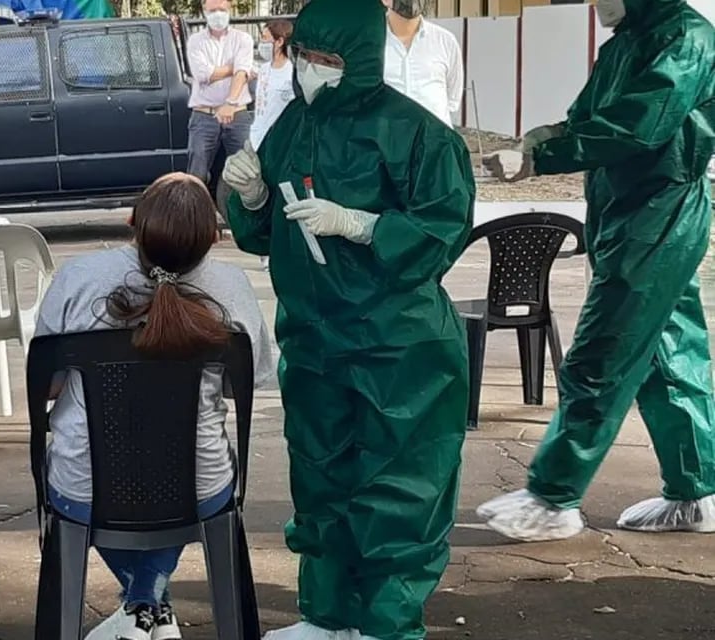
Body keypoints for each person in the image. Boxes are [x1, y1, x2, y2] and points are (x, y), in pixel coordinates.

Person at [223, 0, 476, 636]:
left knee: (400, 490)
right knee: (320, 477)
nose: (312, 69)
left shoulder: (419, 134)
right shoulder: (291, 127)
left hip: (400, 345)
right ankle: (327, 615)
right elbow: (265, 236)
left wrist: (363, 225)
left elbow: (442, 230)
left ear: (360, 58)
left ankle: (388, 624)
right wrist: (249, 198)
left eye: (327, 59)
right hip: (314, 337)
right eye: (304, 54)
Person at [478, 0, 715, 541]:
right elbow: (597, 117)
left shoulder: (683, 37)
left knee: (602, 353)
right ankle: (696, 490)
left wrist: (547, 156)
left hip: (660, 214)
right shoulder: (629, 39)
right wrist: (548, 135)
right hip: (631, 212)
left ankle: (553, 495)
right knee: (670, 355)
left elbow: (640, 125)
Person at [34, 173, 273, 640]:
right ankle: (148, 609)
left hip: (85, 488)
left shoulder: (78, 278)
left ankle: (142, 609)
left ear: (133, 223)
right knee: (191, 484)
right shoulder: (231, 286)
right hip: (200, 489)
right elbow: (241, 385)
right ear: (212, 238)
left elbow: (46, 386)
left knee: (78, 488)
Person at [186, 0, 255, 185]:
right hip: (204, 116)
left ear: (230, 9)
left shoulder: (243, 39)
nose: (218, 14)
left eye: (222, 9)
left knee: (246, 174)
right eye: (213, 10)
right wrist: (235, 68)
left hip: (237, 114)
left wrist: (230, 103)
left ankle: (244, 213)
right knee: (196, 176)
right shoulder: (195, 41)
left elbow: (241, 74)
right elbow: (203, 74)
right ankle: (196, 213)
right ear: (204, 10)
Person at [249, 18, 295, 272]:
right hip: (257, 139)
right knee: (260, 197)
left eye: (266, 38)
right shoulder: (264, 70)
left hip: (280, 145)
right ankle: (263, 249)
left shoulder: (291, 74)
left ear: (279, 41)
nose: (263, 43)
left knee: (279, 197)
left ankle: (280, 248)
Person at [381, 0, 463, 127]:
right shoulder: (369, 42)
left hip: (435, 142)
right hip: (387, 141)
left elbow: (452, 100)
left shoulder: (446, 41)